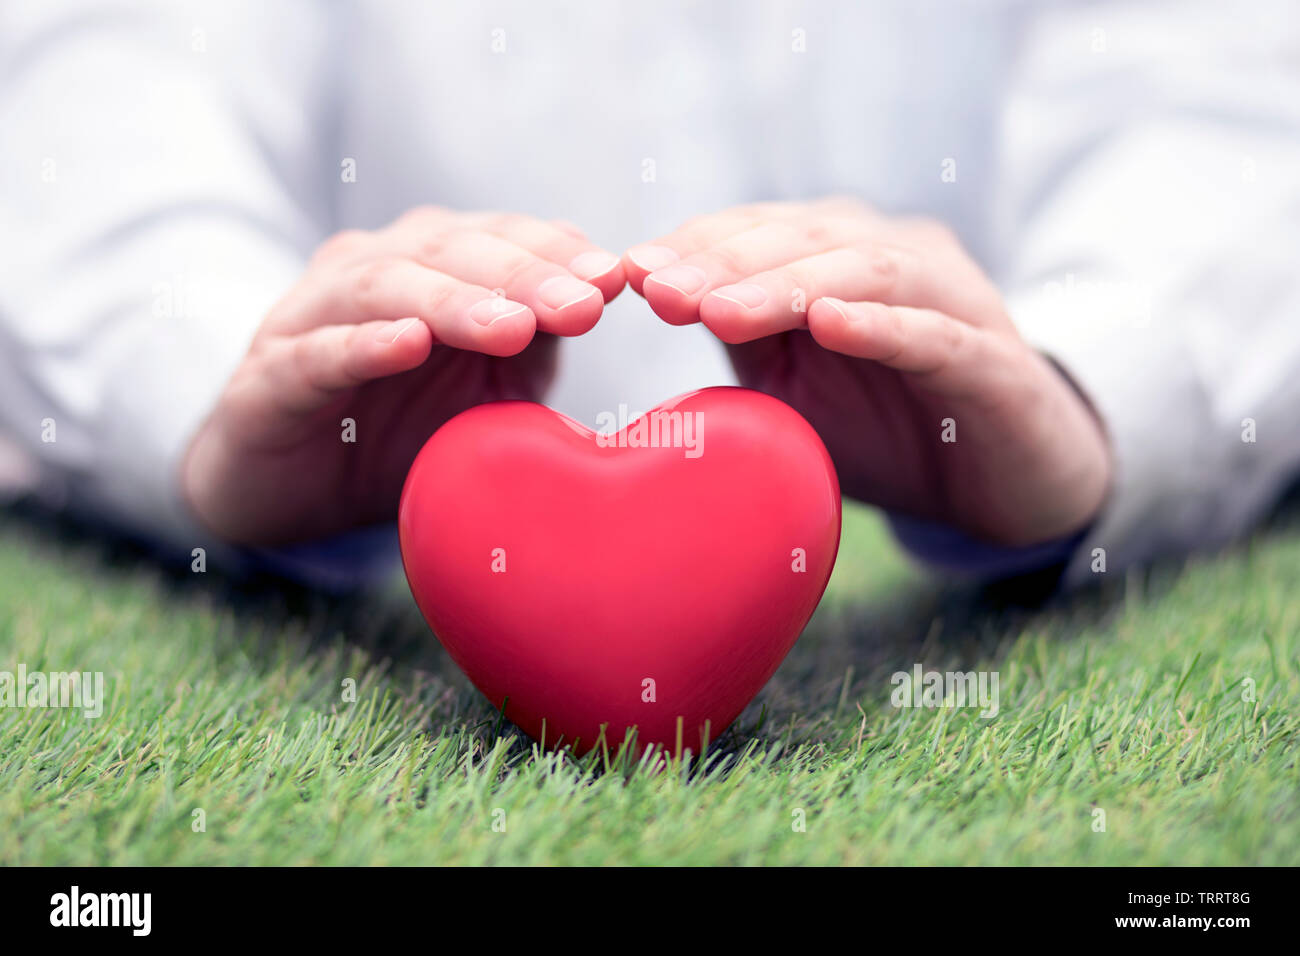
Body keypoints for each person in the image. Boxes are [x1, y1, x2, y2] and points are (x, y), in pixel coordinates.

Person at [1, 0, 1297, 590]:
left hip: (955, 439)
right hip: (408, 471)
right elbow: (98, 83)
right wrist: (213, 398)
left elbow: (1230, 86)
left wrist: (1085, 387)